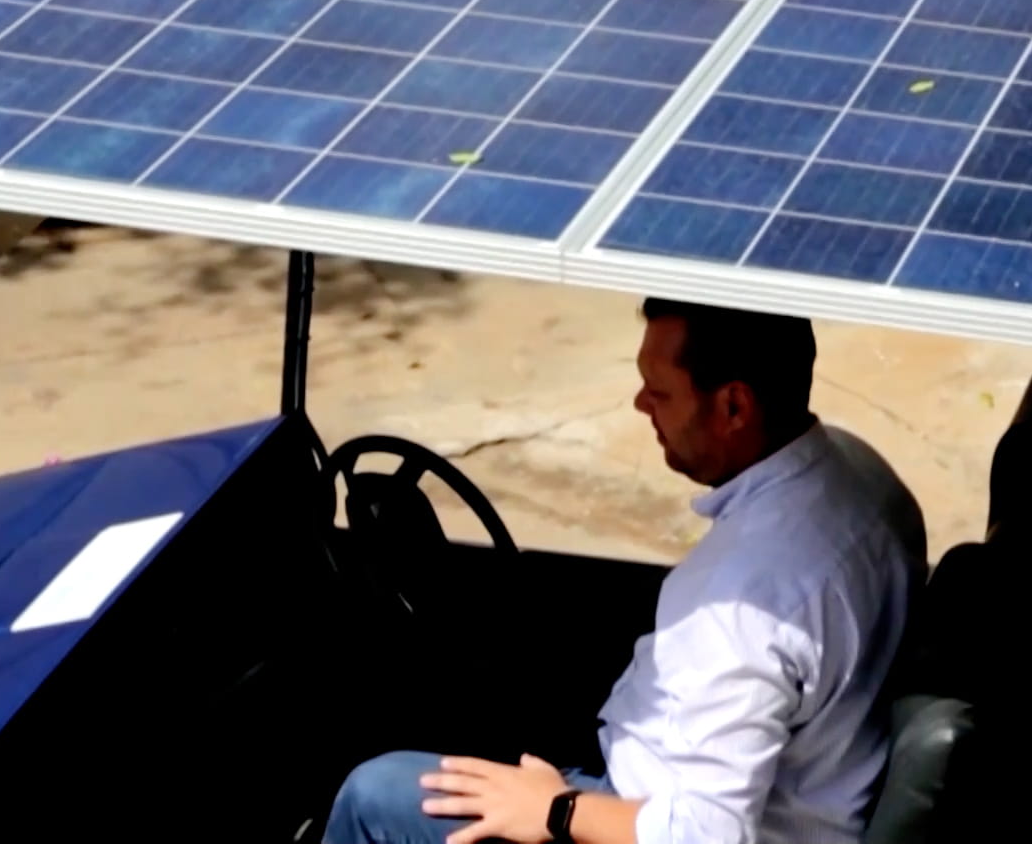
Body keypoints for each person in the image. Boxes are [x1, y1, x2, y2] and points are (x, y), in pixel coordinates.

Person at [324, 298, 927, 844]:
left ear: (734, 405)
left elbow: (705, 836)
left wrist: (556, 809)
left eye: (659, 392)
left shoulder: (741, 606)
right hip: (799, 781)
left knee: (374, 793)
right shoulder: (860, 474)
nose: (640, 405)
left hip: (647, 815)